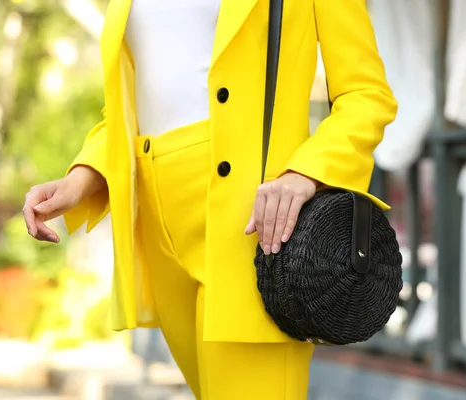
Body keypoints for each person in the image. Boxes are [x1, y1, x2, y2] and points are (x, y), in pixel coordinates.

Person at [22, 0, 397, 399]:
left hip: (256, 225)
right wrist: (84, 176)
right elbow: (136, 101)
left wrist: (305, 172)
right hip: (159, 225)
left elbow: (366, 94)